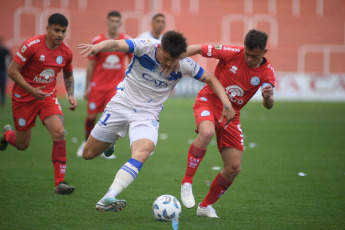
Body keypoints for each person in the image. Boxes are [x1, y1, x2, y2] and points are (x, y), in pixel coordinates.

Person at [77, 30, 235, 212]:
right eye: (166, 58)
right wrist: (97, 47)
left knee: (143, 151)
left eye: (173, 59)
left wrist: (226, 103)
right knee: (88, 154)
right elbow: (115, 44)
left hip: (147, 114)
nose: (168, 63)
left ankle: (109, 196)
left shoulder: (183, 64)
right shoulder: (144, 46)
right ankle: (112, 140)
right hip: (121, 104)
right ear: (159, 47)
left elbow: (211, 78)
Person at [180, 29, 276, 218]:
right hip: (209, 100)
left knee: (234, 167)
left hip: (232, 114)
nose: (249, 58)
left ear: (264, 52)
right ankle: (187, 181)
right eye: (247, 53)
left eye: (254, 55)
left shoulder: (267, 73)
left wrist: (268, 98)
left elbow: (268, 106)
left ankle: (205, 206)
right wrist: (175, 57)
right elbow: (198, 48)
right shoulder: (232, 52)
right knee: (206, 133)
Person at [0, 13, 77, 194]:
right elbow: (12, 71)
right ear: (47, 29)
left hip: (47, 98)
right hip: (24, 98)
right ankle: (7, 135)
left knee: (59, 132)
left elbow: (67, 73)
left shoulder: (65, 52)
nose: (60, 35)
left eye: (63, 31)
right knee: (22, 144)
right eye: (56, 30)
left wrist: (71, 95)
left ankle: (60, 182)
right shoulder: (31, 46)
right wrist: (31, 89)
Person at [76, 11, 132, 159]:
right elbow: (91, 65)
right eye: (112, 21)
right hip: (97, 86)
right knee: (91, 117)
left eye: (117, 21)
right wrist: (87, 87)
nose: (114, 24)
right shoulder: (97, 40)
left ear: (120, 23)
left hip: (115, 86)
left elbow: (133, 62)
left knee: (111, 116)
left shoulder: (125, 41)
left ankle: (107, 145)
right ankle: (86, 142)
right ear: (107, 22)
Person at [0, 37, 12, 106]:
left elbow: (9, 59)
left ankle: (3, 101)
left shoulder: (6, 50)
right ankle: (3, 101)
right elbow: (10, 59)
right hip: (3, 71)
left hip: (3, 71)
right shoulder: (5, 50)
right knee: (3, 87)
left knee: (3, 87)